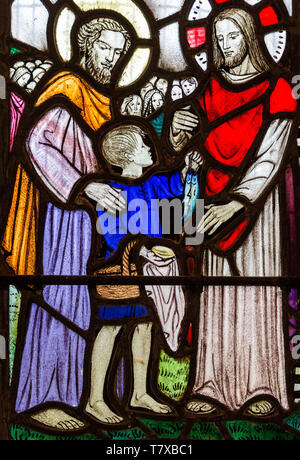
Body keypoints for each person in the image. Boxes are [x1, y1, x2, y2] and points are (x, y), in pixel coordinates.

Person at [170, 8, 297, 416]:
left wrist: (238, 203)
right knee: (216, 291)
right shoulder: (208, 89)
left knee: (256, 287)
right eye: (217, 38)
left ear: (250, 37)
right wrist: (179, 132)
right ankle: (211, 383)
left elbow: (271, 157)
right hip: (211, 197)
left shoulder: (277, 88)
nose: (224, 45)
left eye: (231, 36)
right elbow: (188, 152)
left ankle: (262, 386)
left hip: (255, 207)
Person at [13, 17, 133, 431]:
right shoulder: (67, 89)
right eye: (107, 49)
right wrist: (86, 187)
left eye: (120, 54)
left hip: (93, 221)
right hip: (61, 219)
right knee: (61, 299)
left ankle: (94, 397)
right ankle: (46, 395)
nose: (113, 60)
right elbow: (36, 144)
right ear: (86, 47)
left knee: (95, 304)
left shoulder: (102, 98)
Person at [86, 125, 202, 423]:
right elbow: (109, 234)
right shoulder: (112, 192)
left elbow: (178, 184)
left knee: (145, 327)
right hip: (123, 272)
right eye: (144, 146)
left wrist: (189, 167)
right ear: (126, 157)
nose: (151, 149)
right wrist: (137, 248)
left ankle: (140, 393)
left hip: (150, 272)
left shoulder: (153, 185)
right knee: (110, 329)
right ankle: (95, 399)